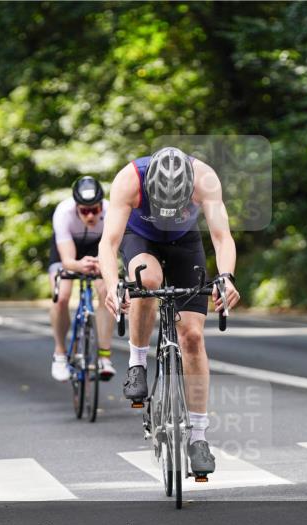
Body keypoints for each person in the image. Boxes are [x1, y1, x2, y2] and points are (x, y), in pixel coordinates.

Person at [99, 147, 241, 478]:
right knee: (147, 281)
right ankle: (137, 362)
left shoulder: (205, 179)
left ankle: (199, 437)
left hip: (184, 242)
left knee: (192, 336)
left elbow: (222, 237)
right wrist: (113, 286)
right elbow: (108, 243)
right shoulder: (129, 179)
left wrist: (225, 278)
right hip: (140, 238)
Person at [49, 176, 116, 382]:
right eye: (85, 211)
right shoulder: (63, 212)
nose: (90, 215)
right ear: (76, 207)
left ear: (101, 206)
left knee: (107, 292)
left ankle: (104, 357)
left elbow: (112, 249)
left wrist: (102, 265)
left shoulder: (112, 211)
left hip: (98, 249)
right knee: (61, 297)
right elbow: (67, 260)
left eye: (95, 210)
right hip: (68, 250)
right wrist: (78, 265)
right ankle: (60, 354)